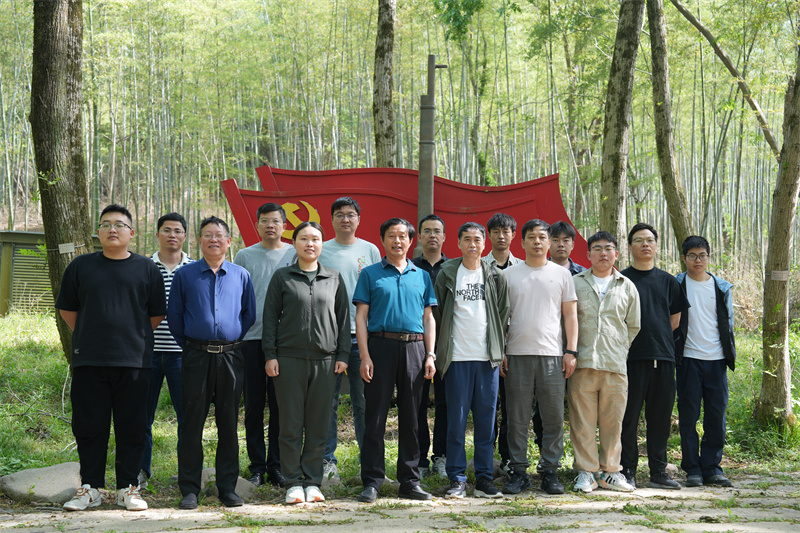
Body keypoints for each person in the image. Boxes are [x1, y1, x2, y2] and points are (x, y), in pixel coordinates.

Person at [58, 204, 166, 512]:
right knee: (90, 427)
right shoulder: (81, 266)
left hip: (135, 362)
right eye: (106, 224)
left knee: (131, 427)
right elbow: (68, 309)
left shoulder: (147, 268)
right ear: (99, 232)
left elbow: (156, 313)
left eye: (119, 224)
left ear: (131, 233)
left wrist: (129, 338)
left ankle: (127, 489)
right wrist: (94, 334)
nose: (112, 229)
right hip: (89, 360)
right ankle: (89, 489)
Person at [168, 216, 256, 510]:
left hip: (231, 357)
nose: (214, 240)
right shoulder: (185, 275)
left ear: (229, 241)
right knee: (192, 424)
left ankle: (227, 487)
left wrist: (228, 341)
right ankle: (190, 489)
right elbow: (175, 317)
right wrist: (195, 345)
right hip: (195, 356)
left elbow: (248, 316)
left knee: (229, 423)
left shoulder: (241, 275)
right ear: (200, 241)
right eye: (208, 235)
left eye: (219, 235)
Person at [263, 221, 351, 504]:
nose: (309, 244)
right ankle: (292, 482)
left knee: (318, 424)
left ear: (322, 244)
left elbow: (344, 319)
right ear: (295, 243)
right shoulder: (282, 277)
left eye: (315, 239)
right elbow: (269, 319)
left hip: (326, 362)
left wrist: (342, 355)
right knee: (290, 424)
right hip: (288, 360)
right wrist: (270, 355)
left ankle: (312, 481)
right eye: (303, 239)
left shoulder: (334, 278)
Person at [353, 218, 437, 503]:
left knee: (412, 418)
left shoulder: (421, 275)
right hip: (380, 347)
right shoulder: (371, 274)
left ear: (410, 241)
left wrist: (430, 354)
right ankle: (373, 480)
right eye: (392, 236)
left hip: (414, 349)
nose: (397, 241)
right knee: (375, 416)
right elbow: (361, 317)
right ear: (383, 240)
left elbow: (429, 318)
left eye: (402, 236)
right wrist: (364, 355)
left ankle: (410, 481)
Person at [501, 219, 577, 496]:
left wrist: (571, 351)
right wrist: (501, 353)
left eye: (542, 237)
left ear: (549, 242)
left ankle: (550, 471)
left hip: (553, 356)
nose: (536, 241)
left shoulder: (562, 275)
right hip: (517, 355)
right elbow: (502, 319)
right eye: (531, 237)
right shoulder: (509, 275)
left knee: (554, 417)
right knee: (517, 418)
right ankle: (518, 471)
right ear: (521, 242)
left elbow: (570, 315)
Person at [435, 222, 508, 499]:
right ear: (458, 243)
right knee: (456, 420)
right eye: (467, 239)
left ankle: (485, 478)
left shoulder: (494, 275)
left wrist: (497, 350)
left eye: (477, 239)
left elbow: (502, 314)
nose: (473, 244)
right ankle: (457, 478)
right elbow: (439, 312)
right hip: (457, 359)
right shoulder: (447, 273)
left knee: (486, 421)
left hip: (486, 360)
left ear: (484, 243)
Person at [620, 223, 690, 490]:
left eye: (650, 240)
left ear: (656, 246)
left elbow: (674, 321)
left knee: (660, 417)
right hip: (630, 358)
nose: (645, 244)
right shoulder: (622, 280)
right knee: (628, 417)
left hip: (663, 356)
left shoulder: (669, 281)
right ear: (630, 247)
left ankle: (658, 471)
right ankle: (627, 470)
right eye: (639, 240)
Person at [569, 231, 640, 493]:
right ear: (588, 255)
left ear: (616, 254)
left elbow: (633, 325)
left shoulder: (627, 285)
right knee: (582, 422)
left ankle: (610, 472)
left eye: (608, 249)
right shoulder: (575, 283)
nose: (603, 253)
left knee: (613, 422)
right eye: (597, 249)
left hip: (614, 365)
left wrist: (618, 349)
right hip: (583, 363)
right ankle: (587, 472)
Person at [234, 202, 295, 488]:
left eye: (276, 221)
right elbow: (238, 297)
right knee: (254, 405)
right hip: (251, 339)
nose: (270, 225)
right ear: (257, 225)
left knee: (282, 406)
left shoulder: (295, 253)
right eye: (264, 221)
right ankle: (257, 466)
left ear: (285, 226)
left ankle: (278, 466)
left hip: (285, 343)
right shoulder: (244, 255)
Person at [319, 197, 381, 480]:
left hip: (363, 339)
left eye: (351, 214)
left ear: (358, 219)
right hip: (329, 339)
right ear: (332, 219)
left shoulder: (370, 250)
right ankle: (326, 461)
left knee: (364, 403)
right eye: (340, 215)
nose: (346, 219)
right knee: (327, 402)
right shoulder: (322, 249)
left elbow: (378, 292)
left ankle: (368, 462)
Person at [675, 236, 736, 488]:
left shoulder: (721, 287)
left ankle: (712, 467)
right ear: (684, 258)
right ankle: (693, 469)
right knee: (688, 416)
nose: (697, 260)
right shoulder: (677, 284)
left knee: (716, 415)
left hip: (716, 360)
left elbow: (728, 324)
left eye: (702, 255)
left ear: (709, 258)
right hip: (688, 359)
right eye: (692, 255)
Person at [139, 212, 193, 490]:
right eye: (167, 230)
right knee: (140, 415)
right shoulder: (142, 266)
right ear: (157, 234)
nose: (172, 235)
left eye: (178, 231)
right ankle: (140, 472)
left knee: (187, 417)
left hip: (183, 355)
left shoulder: (194, 268)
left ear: (185, 236)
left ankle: (186, 472)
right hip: (145, 354)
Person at [482, 212, 521, 475]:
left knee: (512, 404)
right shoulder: (478, 266)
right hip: (484, 347)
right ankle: (486, 458)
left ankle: (508, 458)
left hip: (516, 346)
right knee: (488, 404)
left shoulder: (522, 267)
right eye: (496, 231)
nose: (501, 235)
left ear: (513, 235)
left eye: (506, 231)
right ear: (489, 235)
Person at [412, 214, 448, 479]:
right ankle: (420, 459)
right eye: (427, 231)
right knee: (417, 404)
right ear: (420, 237)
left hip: (448, 347)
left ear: (445, 237)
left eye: (437, 231)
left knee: (446, 404)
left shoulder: (455, 268)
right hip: (414, 347)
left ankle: (442, 457)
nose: (432, 235)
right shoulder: (410, 268)